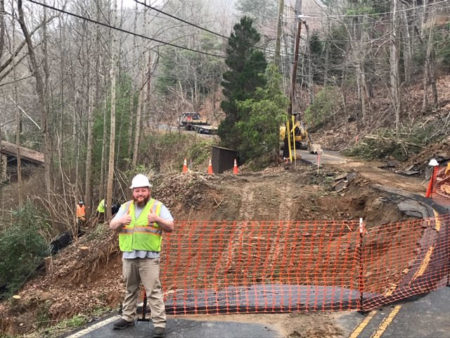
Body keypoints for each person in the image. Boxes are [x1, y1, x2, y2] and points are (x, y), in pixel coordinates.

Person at [109, 174, 174, 338]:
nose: (140, 194)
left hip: (149, 257)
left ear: (148, 191)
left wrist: (157, 219)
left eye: (143, 190)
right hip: (129, 256)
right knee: (130, 289)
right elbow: (112, 225)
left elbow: (170, 226)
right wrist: (120, 220)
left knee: (153, 290)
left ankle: (159, 323)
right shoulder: (125, 207)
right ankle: (128, 317)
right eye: (137, 191)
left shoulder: (157, 207)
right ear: (133, 192)